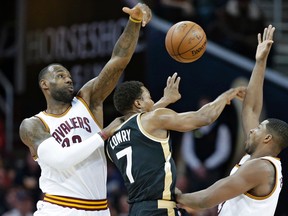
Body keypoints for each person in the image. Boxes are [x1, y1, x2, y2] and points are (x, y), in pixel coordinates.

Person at [18, 3, 153, 215]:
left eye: (69, 76)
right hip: (58, 209)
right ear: (45, 84)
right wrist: (104, 134)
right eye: (60, 76)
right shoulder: (33, 124)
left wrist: (134, 22)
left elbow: (118, 61)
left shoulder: (87, 101)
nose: (69, 79)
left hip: (99, 209)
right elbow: (60, 160)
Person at [176, 25, 288, 216]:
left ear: (267, 138)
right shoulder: (257, 161)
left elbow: (207, 198)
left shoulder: (262, 168)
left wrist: (174, 197)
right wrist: (260, 62)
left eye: (259, 128)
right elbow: (251, 109)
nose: (252, 129)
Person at [106, 76, 245, 215]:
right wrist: (225, 96)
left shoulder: (111, 144)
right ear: (138, 103)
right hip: (160, 209)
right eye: (148, 97)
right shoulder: (153, 119)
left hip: (136, 210)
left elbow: (137, 121)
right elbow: (204, 117)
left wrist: (166, 100)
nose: (153, 101)